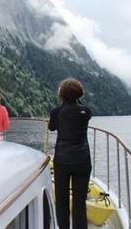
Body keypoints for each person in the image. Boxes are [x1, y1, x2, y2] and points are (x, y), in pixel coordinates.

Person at [48, 78, 92, 229]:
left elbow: (51, 127)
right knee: (80, 202)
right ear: (80, 93)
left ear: (62, 94)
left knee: (62, 201)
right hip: (82, 160)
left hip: (62, 161)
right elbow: (81, 112)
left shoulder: (57, 112)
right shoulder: (86, 112)